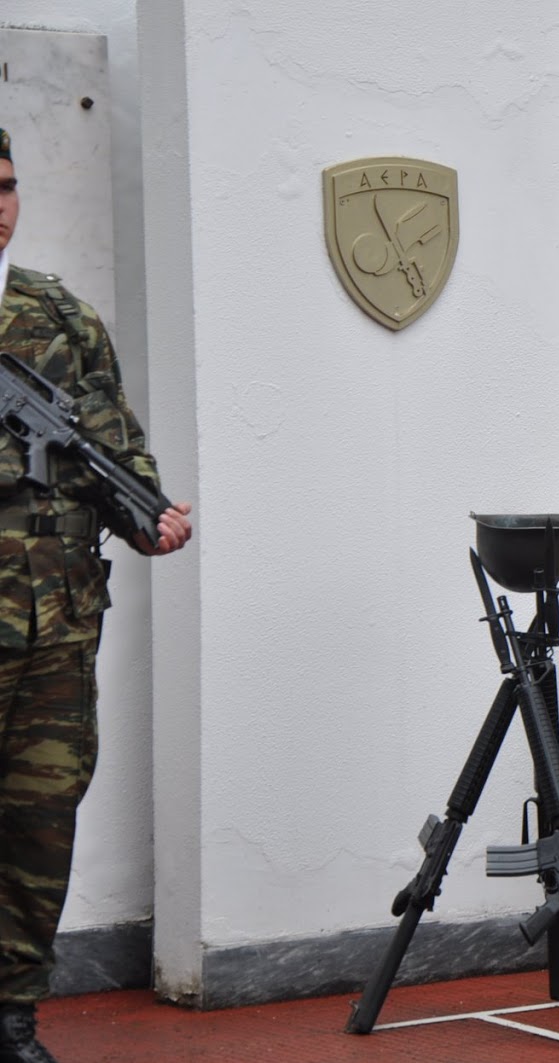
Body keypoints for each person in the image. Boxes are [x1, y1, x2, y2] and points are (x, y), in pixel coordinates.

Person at [0, 127, 193, 1063]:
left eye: (5, 186)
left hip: (57, 628)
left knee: (41, 821)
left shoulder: (60, 317)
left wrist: (147, 511)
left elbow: (110, 443)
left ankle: (12, 1015)